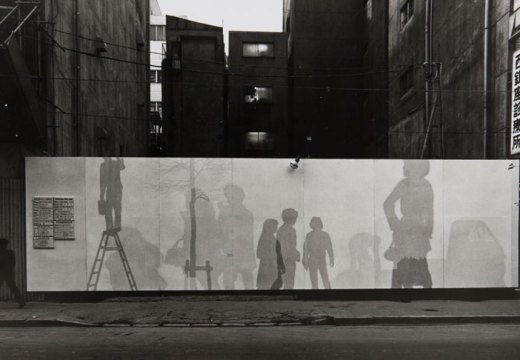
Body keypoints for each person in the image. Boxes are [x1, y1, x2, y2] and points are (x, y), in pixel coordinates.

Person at [383, 160, 433, 288]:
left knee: (420, 269)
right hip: (407, 231)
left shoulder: (426, 185)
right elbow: (388, 203)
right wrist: (395, 225)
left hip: (419, 233)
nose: (403, 167)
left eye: (406, 164)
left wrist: (428, 230)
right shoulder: (405, 184)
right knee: (403, 267)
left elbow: (430, 211)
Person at [218, 184, 256, 290]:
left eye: (231, 195)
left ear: (240, 196)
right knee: (228, 282)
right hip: (230, 253)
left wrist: (224, 213)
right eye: (226, 195)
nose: (228, 197)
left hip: (244, 253)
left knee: (248, 282)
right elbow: (220, 230)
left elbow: (238, 232)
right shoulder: (225, 211)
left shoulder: (246, 213)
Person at [302, 217, 334, 289]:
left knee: (325, 279)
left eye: (317, 223)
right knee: (314, 282)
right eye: (314, 223)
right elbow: (305, 249)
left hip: (322, 259)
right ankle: (315, 296)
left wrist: (331, 258)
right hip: (312, 260)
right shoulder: (309, 235)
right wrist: (305, 261)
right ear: (311, 225)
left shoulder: (325, 235)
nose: (316, 225)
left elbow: (329, 248)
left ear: (320, 224)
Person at [256, 219, 285, 289]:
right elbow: (259, 253)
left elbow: (278, 254)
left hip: (273, 267)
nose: (276, 228)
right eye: (274, 226)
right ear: (268, 227)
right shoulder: (265, 238)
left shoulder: (273, 239)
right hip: (267, 268)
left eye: (276, 226)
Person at [276, 208, 300, 289]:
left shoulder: (282, 229)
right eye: (294, 218)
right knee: (289, 283)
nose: (295, 220)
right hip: (287, 259)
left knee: (287, 282)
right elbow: (286, 246)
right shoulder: (289, 230)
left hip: (286, 259)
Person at [100, 157, 125, 232]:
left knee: (117, 208)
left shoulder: (115, 163)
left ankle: (117, 226)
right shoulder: (103, 166)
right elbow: (102, 181)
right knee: (109, 210)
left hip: (117, 189)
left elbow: (122, 167)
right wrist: (102, 194)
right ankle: (110, 228)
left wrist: (118, 157)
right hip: (110, 190)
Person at [0, 238, 25, 308]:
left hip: (2, 273)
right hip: (8, 273)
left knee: (13, 287)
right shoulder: (10, 252)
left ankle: (21, 302)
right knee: (13, 287)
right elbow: (12, 263)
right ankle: (21, 302)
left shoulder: (7, 252)